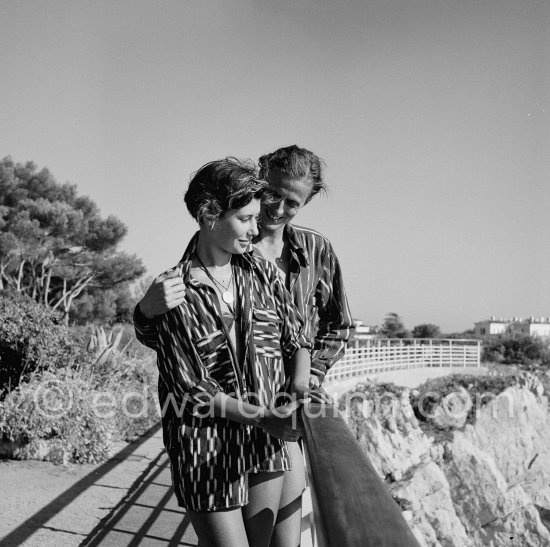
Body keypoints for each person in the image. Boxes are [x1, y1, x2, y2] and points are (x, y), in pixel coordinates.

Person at [136, 145, 355, 543]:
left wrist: (301, 389)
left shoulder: (270, 271)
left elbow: (303, 334)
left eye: (293, 203)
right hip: (207, 446)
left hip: (267, 436)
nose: (263, 222)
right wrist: (145, 312)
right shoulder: (178, 287)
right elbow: (188, 383)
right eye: (250, 214)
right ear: (211, 215)